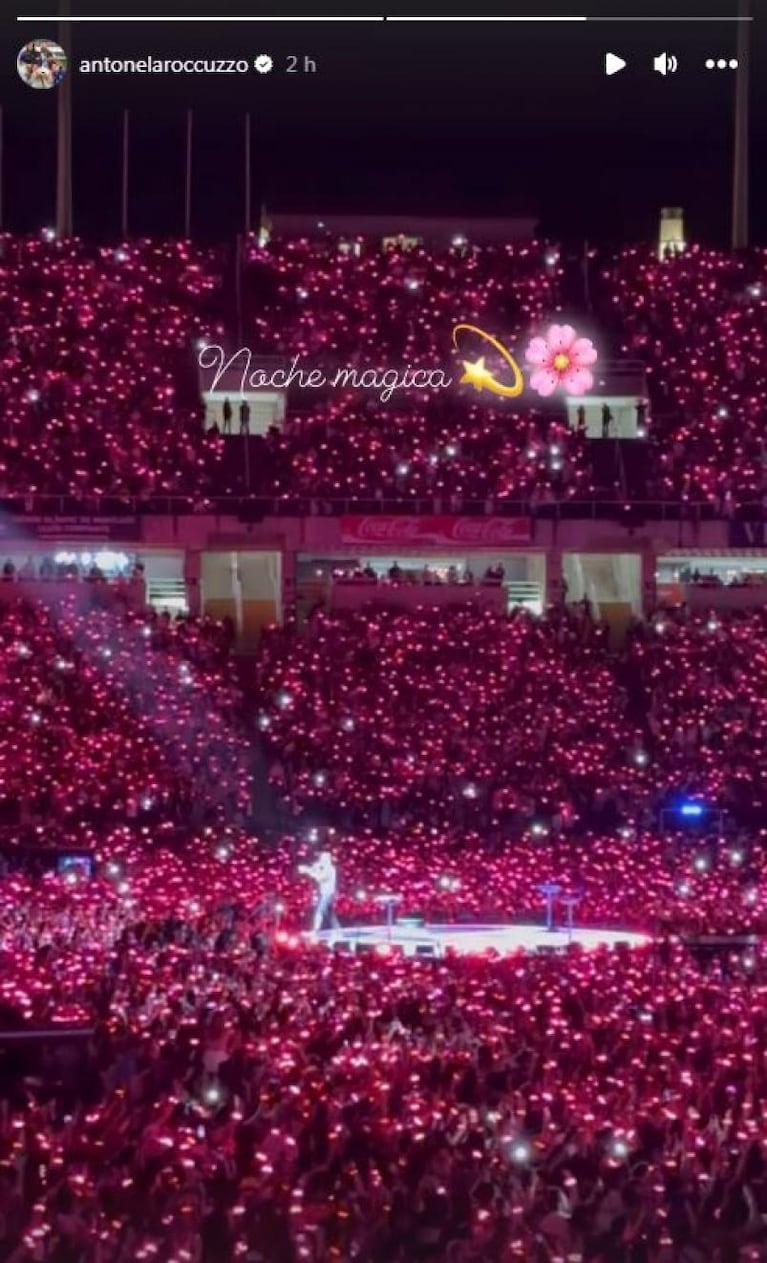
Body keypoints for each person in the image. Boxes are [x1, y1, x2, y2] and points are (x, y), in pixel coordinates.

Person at [298, 850, 339, 933]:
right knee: (329, 913)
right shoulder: (324, 867)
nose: (321, 861)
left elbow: (320, 878)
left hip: (328, 893)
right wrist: (307, 869)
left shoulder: (330, 869)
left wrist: (308, 871)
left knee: (320, 910)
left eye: (323, 859)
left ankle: (316, 929)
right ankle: (337, 929)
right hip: (326, 893)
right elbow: (315, 870)